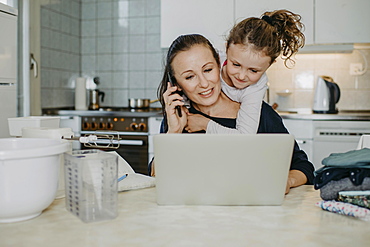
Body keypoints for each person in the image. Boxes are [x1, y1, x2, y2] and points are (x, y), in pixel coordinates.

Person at [151, 34, 314, 194]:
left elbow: (303, 167)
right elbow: (156, 176)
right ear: (176, 84)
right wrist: (173, 133)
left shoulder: (260, 114)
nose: (204, 83)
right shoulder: (177, 119)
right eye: (189, 76)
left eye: (208, 70)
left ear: (219, 65)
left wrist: (287, 181)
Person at [186, 9, 305, 133]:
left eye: (253, 71)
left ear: (269, 65)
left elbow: (245, 135)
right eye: (236, 64)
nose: (242, 76)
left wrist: (205, 124)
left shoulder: (256, 87)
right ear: (226, 48)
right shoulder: (214, 58)